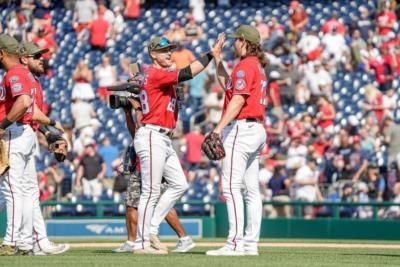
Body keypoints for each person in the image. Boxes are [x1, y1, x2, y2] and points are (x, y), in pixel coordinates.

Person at [133, 36, 217, 254]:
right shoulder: (155, 73)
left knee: (180, 184)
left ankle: (151, 228)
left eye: (170, 50)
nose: (169, 53)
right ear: (153, 55)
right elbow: (187, 73)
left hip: (163, 137)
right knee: (150, 191)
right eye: (163, 51)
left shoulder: (155, 74)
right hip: (152, 134)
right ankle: (142, 243)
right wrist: (211, 55)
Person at [206, 25, 267, 256]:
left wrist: (218, 129)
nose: (233, 44)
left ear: (244, 41)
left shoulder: (245, 66)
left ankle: (234, 244)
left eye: (235, 41)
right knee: (251, 190)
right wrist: (217, 59)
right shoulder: (257, 67)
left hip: (242, 129)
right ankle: (250, 244)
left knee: (231, 187)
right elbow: (229, 87)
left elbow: (238, 100)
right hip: (256, 129)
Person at [113, 97, 195, 253]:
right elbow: (136, 133)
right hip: (141, 163)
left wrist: (137, 108)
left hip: (156, 156)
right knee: (133, 204)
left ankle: (181, 237)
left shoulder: (154, 109)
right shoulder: (149, 107)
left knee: (157, 199)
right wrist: (128, 113)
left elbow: (142, 127)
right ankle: (133, 241)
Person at [18, 41, 70, 255]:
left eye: (42, 56)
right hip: (15, 135)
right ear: (24, 58)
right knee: (13, 194)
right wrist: (52, 125)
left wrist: (48, 135)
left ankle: (38, 242)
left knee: (27, 193)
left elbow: (32, 116)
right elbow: (22, 111)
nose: (42, 59)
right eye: (36, 56)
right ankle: (32, 242)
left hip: (26, 134)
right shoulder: (20, 78)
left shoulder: (34, 81)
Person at [0, 34, 39, 256]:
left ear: (2, 53)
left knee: (12, 189)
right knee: (22, 191)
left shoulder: (14, 72)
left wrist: (2, 126)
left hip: (15, 132)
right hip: (24, 133)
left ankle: (11, 241)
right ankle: (24, 242)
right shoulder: (26, 73)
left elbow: (23, 102)